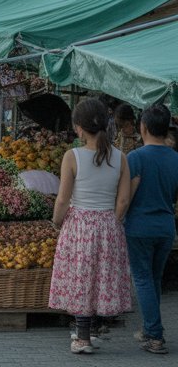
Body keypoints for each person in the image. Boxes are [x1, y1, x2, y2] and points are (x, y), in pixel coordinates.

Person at [48, 97, 131, 355]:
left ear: (79, 128)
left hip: (79, 224)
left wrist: (56, 221)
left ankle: (82, 338)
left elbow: (62, 198)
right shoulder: (121, 157)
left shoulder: (72, 156)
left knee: (81, 278)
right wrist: (113, 220)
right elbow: (124, 199)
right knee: (99, 277)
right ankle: (92, 331)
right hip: (107, 222)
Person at [124, 103, 178, 355]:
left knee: (143, 279)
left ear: (142, 127)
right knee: (154, 279)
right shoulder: (175, 158)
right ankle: (149, 329)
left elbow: (127, 197)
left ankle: (155, 336)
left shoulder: (135, 158)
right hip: (166, 227)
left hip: (139, 227)